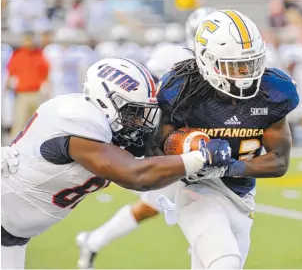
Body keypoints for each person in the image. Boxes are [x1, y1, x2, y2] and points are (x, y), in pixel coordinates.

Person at [0, 57, 231, 269]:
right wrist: (200, 157)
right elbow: (135, 175)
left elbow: (149, 153)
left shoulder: (105, 130)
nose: (139, 122)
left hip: (12, 237)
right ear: (104, 100)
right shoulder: (76, 119)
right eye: (132, 113)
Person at [146, 9, 299, 269]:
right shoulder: (180, 88)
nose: (245, 72)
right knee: (224, 261)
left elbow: (279, 162)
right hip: (195, 188)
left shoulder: (273, 91)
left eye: (251, 62)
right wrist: (190, 156)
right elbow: (153, 152)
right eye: (234, 65)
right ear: (207, 61)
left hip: (243, 196)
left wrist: (228, 166)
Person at [74, 7, 217, 269]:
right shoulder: (171, 56)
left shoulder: (221, 64)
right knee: (198, 203)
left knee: (153, 206)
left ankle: (92, 241)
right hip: (167, 140)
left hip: (193, 138)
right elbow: (144, 90)